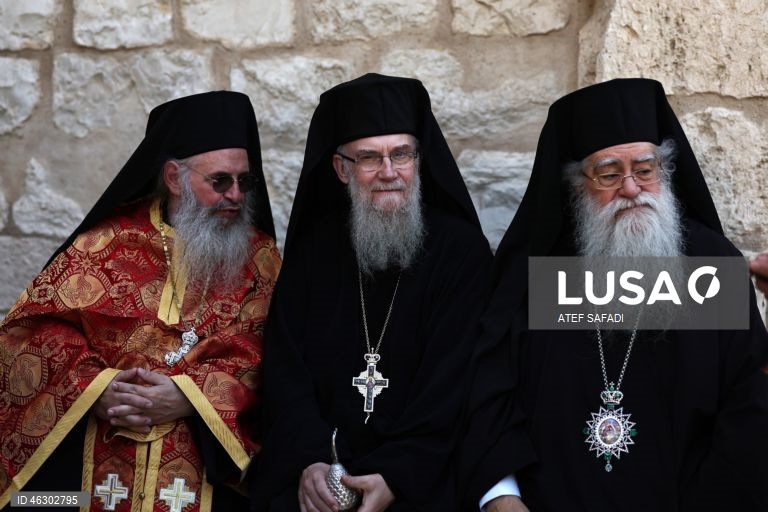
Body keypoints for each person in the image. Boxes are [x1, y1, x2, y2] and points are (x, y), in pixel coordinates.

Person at [459, 78, 768, 511]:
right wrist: (503, 497)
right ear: (575, 184)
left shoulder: (710, 266)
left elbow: (749, 407)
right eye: (609, 173)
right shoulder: (542, 272)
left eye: (644, 169)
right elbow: (491, 392)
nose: (630, 188)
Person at [0, 91, 281, 511]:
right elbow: (28, 334)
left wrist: (191, 396)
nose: (236, 195)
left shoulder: (260, 260)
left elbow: (266, 350)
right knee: (43, 505)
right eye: (220, 181)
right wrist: (96, 389)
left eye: (246, 181)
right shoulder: (103, 245)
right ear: (174, 178)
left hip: (209, 481)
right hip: (86, 474)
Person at [249, 73, 492, 511]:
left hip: (420, 479)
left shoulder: (460, 252)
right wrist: (309, 460)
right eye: (369, 158)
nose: (388, 173)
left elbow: (453, 382)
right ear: (342, 169)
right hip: (316, 482)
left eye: (401, 154)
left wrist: (396, 473)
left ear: (419, 159)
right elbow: (286, 372)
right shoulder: (313, 251)